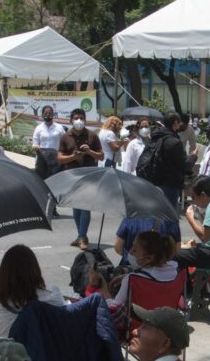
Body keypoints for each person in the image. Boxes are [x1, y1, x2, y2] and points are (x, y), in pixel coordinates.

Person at [0, 245, 65, 342]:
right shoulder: (54, 297)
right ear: (35, 269)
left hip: (15, 356)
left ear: (4, 274)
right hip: (48, 355)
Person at [97, 231, 178, 307]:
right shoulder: (174, 271)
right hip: (166, 316)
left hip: (140, 320)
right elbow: (152, 277)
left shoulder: (132, 280)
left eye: (135, 250)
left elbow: (113, 308)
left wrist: (102, 287)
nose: (130, 252)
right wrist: (125, 277)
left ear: (149, 258)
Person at [58, 108, 101, 249]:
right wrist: (73, 157)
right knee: (76, 208)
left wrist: (89, 151)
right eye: (76, 118)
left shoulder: (92, 136)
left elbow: (101, 156)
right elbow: (60, 158)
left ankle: (82, 237)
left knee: (85, 207)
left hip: (88, 176)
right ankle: (80, 235)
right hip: (72, 176)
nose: (79, 121)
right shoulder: (65, 137)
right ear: (71, 120)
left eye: (82, 118)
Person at [146, 112, 187, 207]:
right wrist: (193, 157)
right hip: (170, 185)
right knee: (168, 216)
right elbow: (183, 165)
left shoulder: (155, 137)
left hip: (154, 181)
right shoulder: (174, 142)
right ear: (176, 123)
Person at [31, 105, 65, 179]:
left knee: (55, 180)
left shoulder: (59, 127)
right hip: (42, 160)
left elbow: (64, 142)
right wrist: (36, 147)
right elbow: (34, 144)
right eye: (45, 113)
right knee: (42, 181)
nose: (47, 115)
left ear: (53, 114)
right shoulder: (38, 128)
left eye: (50, 113)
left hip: (56, 160)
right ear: (42, 114)